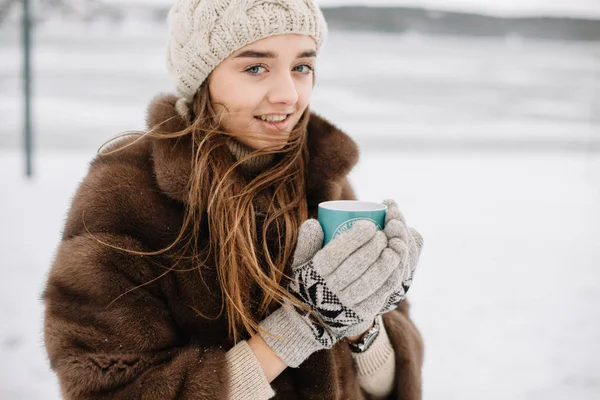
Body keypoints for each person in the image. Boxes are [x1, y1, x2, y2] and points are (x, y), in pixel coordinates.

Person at [43, 0, 425, 399]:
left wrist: (365, 321)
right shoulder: (126, 194)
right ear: (202, 76)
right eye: (255, 67)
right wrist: (298, 327)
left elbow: (383, 387)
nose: (288, 95)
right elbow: (111, 389)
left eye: (302, 67)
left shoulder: (322, 181)